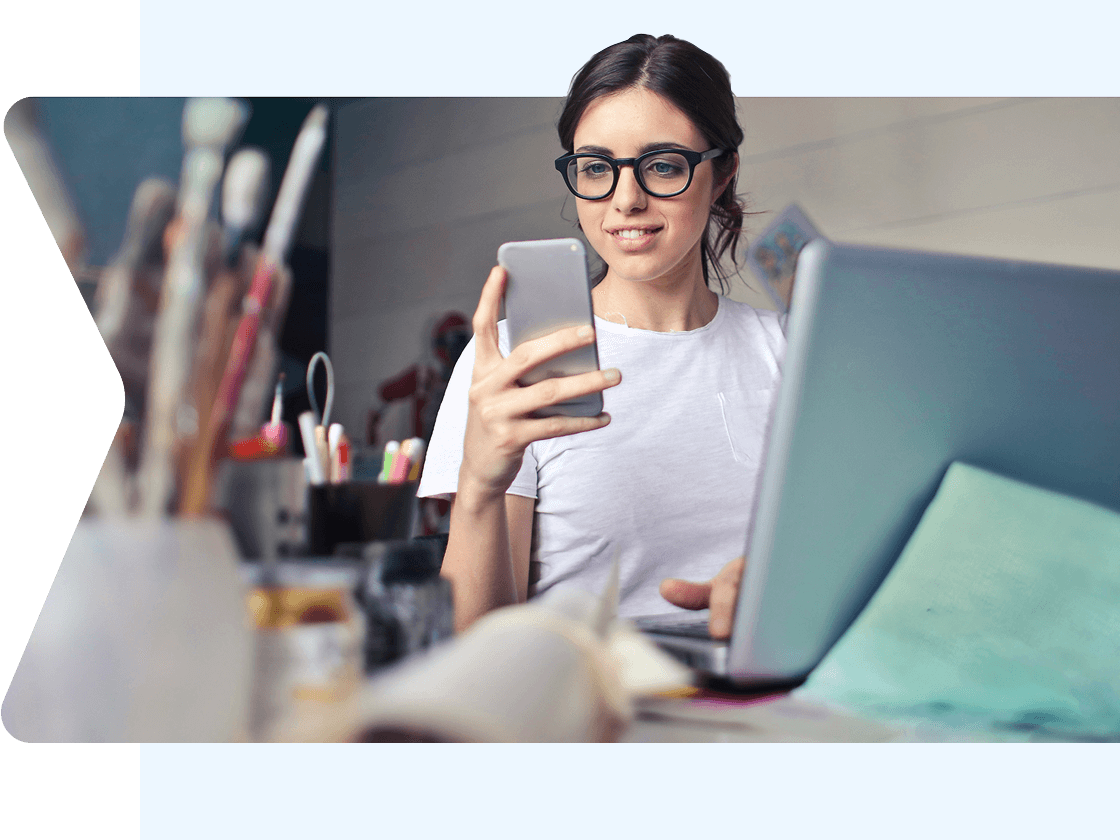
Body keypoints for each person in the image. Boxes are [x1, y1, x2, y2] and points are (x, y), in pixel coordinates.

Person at [417, 34, 786, 636]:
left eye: (663, 165)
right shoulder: (517, 361)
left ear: (721, 174)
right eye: (596, 168)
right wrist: (480, 485)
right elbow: (476, 647)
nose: (626, 200)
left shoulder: (790, 354)